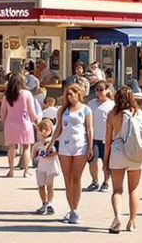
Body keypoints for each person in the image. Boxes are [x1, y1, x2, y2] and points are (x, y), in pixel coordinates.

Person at [104, 90, 142, 233]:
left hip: (117, 151)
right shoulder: (138, 113)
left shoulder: (112, 114)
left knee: (117, 190)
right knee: (133, 189)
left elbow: (108, 140)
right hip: (134, 151)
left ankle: (117, 217)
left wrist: (105, 162)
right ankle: (132, 222)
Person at [55, 82, 90, 226]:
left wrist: (91, 146)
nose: (69, 97)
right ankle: (71, 208)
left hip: (80, 145)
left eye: (72, 94)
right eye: (67, 94)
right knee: (67, 179)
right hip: (64, 145)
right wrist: (51, 143)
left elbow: (89, 128)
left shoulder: (86, 109)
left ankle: (75, 208)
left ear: (78, 94)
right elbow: (58, 127)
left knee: (77, 178)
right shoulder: (63, 110)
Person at [0, 79, 38, 179]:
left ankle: (11, 170)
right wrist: (36, 120)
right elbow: (32, 111)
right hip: (25, 123)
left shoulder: (7, 95)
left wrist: (3, 120)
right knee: (26, 147)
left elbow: (3, 112)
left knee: (11, 148)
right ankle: (26, 171)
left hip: (10, 123)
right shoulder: (27, 94)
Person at [32, 103, 59, 217]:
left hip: (51, 166)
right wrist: (37, 154)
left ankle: (50, 203)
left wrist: (51, 154)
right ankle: (43, 203)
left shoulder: (53, 142)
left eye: (46, 130)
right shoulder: (37, 144)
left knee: (50, 186)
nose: (43, 132)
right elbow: (34, 156)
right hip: (41, 167)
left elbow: (57, 152)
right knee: (41, 186)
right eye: (41, 130)